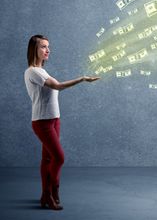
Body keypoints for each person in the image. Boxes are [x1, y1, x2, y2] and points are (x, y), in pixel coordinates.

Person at [24, 34, 100, 210]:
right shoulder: (33, 71)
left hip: (54, 119)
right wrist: (82, 79)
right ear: (34, 49)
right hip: (42, 122)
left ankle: (45, 195)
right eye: (43, 46)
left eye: (48, 46)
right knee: (59, 157)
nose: (48, 50)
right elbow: (57, 86)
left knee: (47, 159)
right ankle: (52, 192)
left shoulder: (42, 70)